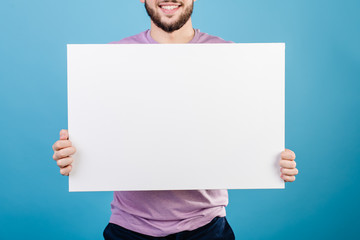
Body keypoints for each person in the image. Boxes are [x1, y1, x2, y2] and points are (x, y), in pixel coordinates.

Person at [52, 0, 299, 239]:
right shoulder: (109, 59)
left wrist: (272, 159)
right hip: (128, 228)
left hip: (206, 228)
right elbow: (101, 138)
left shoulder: (230, 56)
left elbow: (247, 134)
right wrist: (73, 154)